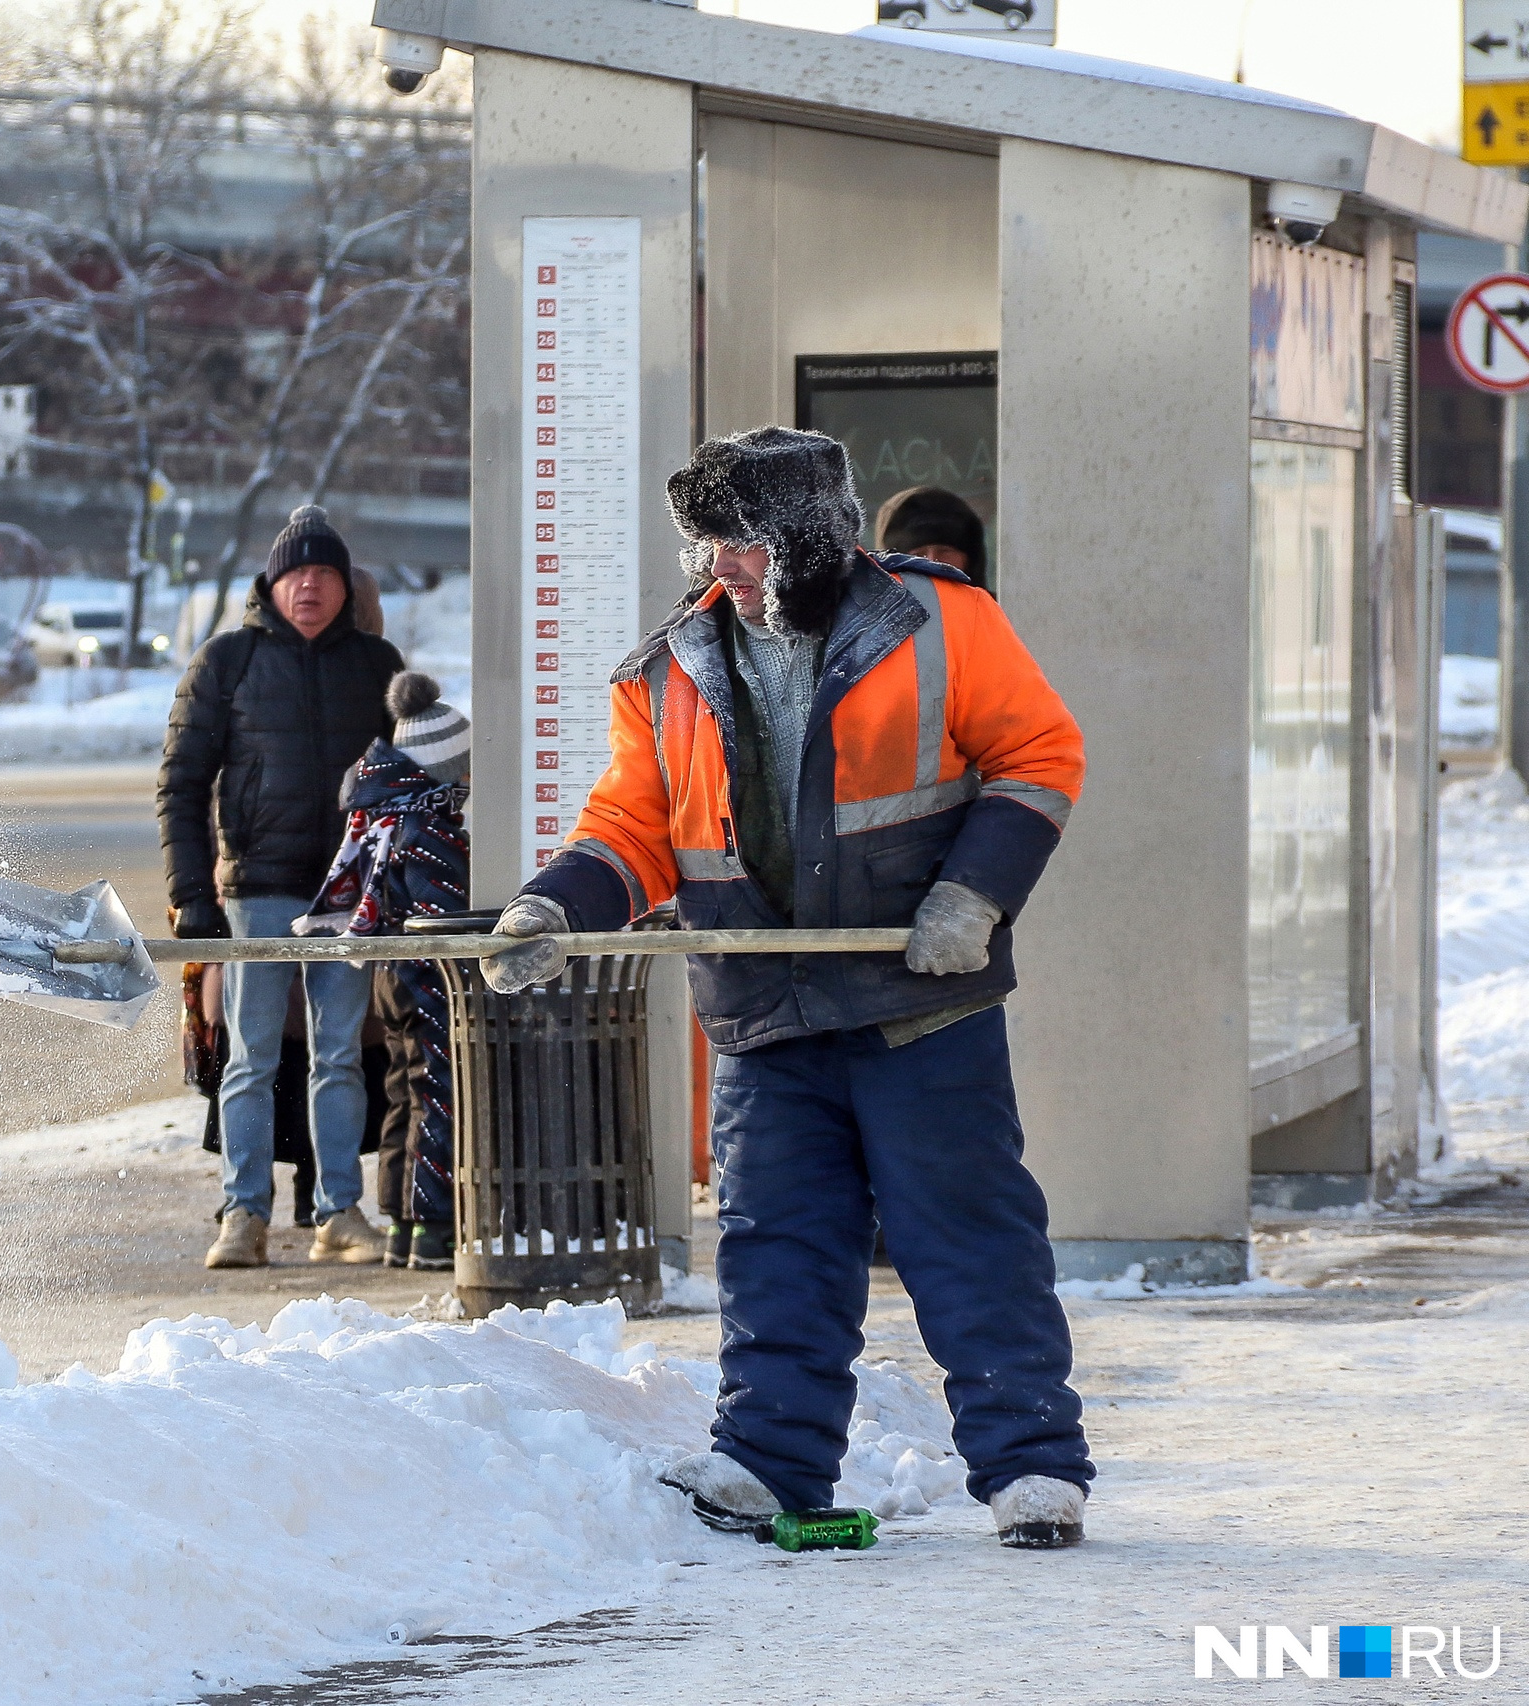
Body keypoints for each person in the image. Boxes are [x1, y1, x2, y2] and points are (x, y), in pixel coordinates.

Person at [489, 426, 1093, 1549]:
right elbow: (631, 827)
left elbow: (1038, 756)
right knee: (775, 1240)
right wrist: (551, 909)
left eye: (741, 543)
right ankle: (769, 1460)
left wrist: (973, 896)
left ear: (809, 540)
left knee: (966, 1230)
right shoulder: (667, 668)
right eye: (706, 543)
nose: (719, 565)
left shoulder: (941, 622)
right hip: (765, 1005)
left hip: (920, 1001)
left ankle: (1030, 1465)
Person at [161, 504, 404, 1269]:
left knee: (339, 1054)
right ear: (272, 583)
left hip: (348, 898)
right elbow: (181, 784)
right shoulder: (226, 660)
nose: (310, 586)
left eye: (325, 574)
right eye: (296, 573)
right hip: (257, 891)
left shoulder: (376, 665)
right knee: (250, 1057)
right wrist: (193, 897)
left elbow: (412, 784)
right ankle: (244, 1213)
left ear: (344, 587)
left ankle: (340, 1211)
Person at [298, 671, 471, 1270]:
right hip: (428, 979)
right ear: (445, 772)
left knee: (403, 1092)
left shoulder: (384, 817)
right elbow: (443, 912)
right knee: (439, 1094)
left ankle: (400, 1222)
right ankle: (434, 1227)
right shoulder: (428, 827)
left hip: (390, 976)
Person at [875, 484, 986, 588]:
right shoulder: (871, 608)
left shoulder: (992, 607)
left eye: (944, 551)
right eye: (918, 554)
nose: (932, 562)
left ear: (969, 559)